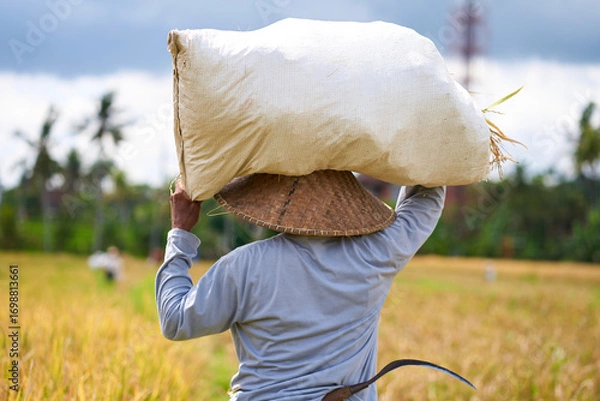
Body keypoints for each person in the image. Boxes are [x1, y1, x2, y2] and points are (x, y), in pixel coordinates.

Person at [155, 170, 446, 400]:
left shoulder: (246, 265)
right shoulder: (375, 255)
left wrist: (180, 232)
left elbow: (176, 320)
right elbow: (425, 200)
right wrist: (415, 154)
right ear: (349, 202)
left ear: (276, 204)